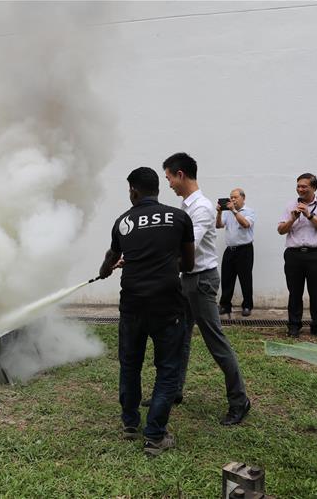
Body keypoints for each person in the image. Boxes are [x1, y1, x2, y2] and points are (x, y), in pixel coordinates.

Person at [98, 166, 195, 456]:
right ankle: (155, 436)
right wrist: (163, 263)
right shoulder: (179, 218)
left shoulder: (123, 221)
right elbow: (188, 264)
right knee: (167, 369)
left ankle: (130, 424)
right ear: (157, 189)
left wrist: (105, 270)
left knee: (130, 365)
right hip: (167, 306)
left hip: (133, 305)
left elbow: (112, 256)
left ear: (134, 191)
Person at [160, 152, 250, 426]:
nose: (169, 184)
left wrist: (153, 261)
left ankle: (240, 401)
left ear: (180, 175)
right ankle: (174, 391)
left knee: (216, 342)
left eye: (169, 178)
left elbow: (189, 248)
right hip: (188, 279)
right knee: (179, 337)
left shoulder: (201, 208)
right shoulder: (187, 206)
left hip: (201, 281)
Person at [277, 173, 317, 338]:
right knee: (294, 292)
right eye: (298, 186)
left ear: (314, 187)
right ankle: (294, 325)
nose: (300, 189)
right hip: (293, 254)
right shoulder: (290, 205)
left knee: (316, 292)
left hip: (315, 255)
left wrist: (309, 215)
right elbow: (280, 230)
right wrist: (292, 219)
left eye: (304, 186)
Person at [216, 188, 256, 317]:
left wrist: (234, 211)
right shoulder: (227, 212)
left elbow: (245, 224)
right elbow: (219, 225)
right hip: (230, 250)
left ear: (243, 198)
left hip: (245, 250)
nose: (232, 199)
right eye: (231, 197)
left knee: (245, 279)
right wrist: (219, 213)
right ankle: (225, 305)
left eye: (235, 197)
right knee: (227, 278)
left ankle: (247, 306)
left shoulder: (249, 211)